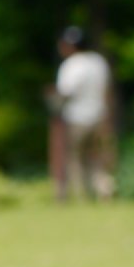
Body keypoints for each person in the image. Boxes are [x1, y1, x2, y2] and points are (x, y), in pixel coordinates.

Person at [50, 26, 115, 201]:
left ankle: (81, 195)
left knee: (75, 158)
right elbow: (107, 91)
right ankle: (104, 189)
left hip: (76, 119)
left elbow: (65, 93)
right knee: (98, 158)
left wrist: (53, 104)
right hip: (99, 116)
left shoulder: (71, 65)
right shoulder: (98, 62)